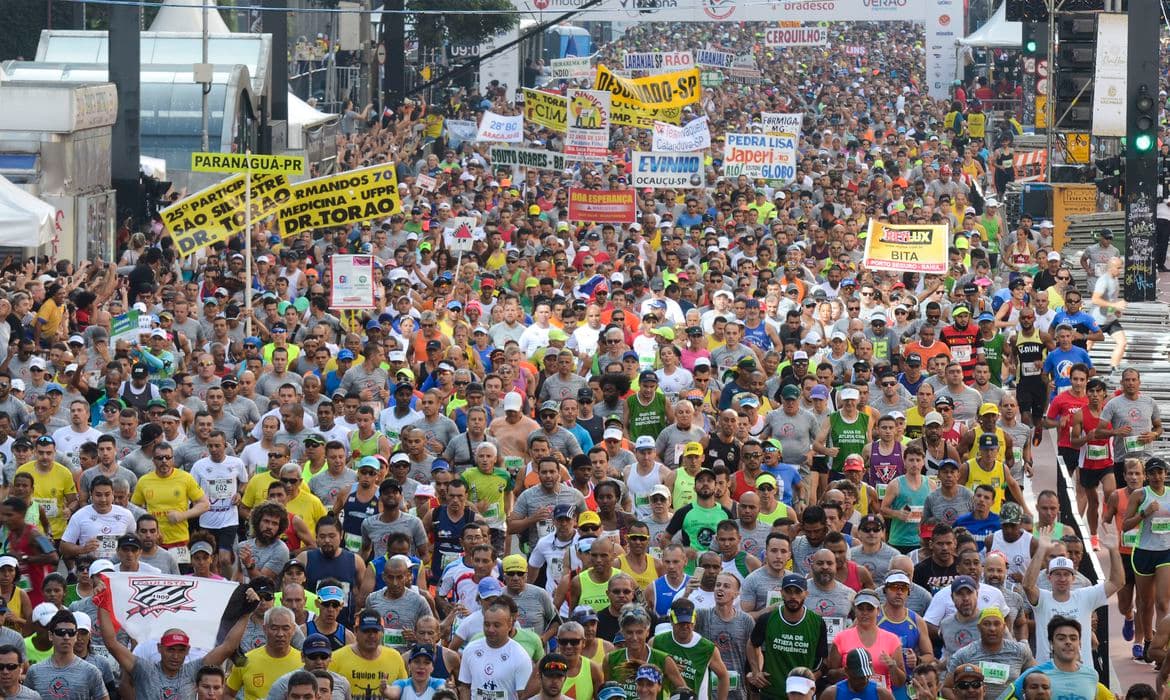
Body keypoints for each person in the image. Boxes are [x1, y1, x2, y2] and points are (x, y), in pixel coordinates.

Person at [1021, 526, 1123, 664]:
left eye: (1066, 574)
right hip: (1048, 676)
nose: (1062, 578)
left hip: (1081, 673)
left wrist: (1113, 551)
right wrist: (1041, 549)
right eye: (1057, 574)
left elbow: (1117, 582)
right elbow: (1027, 585)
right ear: (1049, 578)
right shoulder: (1043, 599)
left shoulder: (1085, 596)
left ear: (1073, 578)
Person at [748, 573, 827, 698]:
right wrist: (756, 671)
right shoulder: (767, 619)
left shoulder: (817, 622)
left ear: (806, 594)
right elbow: (752, 643)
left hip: (801, 694)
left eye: (797, 592)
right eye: (788, 591)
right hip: (771, 693)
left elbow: (823, 661)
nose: (793, 596)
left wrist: (808, 680)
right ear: (781, 593)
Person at [651, 598, 729, 700]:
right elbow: (644, 673)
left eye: (688, 622)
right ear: (671, 620)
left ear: (695, 621)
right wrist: (666, 670)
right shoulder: (656, 642)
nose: (685, 626)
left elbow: (723, 676)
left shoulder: (707, 648)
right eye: (680, 622)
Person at [457, 600, 532, 700]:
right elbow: (465, 687)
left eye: (497, 625)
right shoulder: (470, 649)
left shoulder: (520, 655)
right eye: (487, 624)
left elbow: (524, 696)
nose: (491, 630)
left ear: (509, 625)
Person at [23, 609, 107, 699]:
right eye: (61, 632)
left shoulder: (91, 672)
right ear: (51, 635)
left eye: (71, 633)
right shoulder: (34, 671)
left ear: (75, 636)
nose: (66, 637)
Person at [819, 649, 895, 700]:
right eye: (859, 676)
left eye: (867, 675)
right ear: (846, 671)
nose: (865, 680)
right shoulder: (831, 694)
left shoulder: (882, 694)